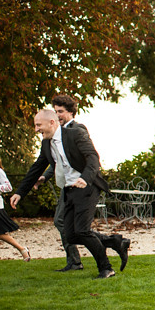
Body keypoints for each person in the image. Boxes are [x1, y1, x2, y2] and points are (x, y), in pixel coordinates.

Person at [12, 110, 119, 278]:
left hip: (87, 187)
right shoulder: (47, 144)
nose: (36, 129)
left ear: (52, 123)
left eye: (38, 125)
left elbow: (93, 158)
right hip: (69, 189)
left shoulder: (75, 134)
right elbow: (37, 167)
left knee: (82, 231)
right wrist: (20, 192)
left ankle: (106, 268)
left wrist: (85, 178)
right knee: (71, 234)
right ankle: (114, 241)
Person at [36, 94, 129, 272]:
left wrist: (85, 179)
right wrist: (45, 176)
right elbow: (58, 161)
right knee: (68, 228)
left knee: (73, 227)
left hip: (82, 185)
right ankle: (112, 242)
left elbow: (83, 158)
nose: (57, 115)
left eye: (60, 112)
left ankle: (81, 261)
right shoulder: (53, 135)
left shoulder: (77, 129)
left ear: (71, 112)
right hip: (68, 185)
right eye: (55, 112)